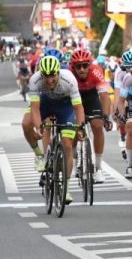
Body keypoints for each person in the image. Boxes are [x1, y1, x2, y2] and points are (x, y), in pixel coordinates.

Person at [23, 55, 85, 204]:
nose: (49, 80)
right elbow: (35, 108)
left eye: (52, 75)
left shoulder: (69, 79)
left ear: (58, 72)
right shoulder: (35, 80)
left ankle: (66, 188)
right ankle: (39, 155)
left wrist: (80, 127)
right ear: (41, 74)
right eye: (46, 76)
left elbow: (78, 107)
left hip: (65, 107)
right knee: (26, 124)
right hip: (45, 103)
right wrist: (38, 127)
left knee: (67, 144)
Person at [69, 49, 112, 183]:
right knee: (74, 127)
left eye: (84, 66)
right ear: (73, 67)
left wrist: (106, 117)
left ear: (89, 65)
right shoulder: (69, 74)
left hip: (91, 97)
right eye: (78, 66)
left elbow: (104, 96)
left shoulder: (96, 71)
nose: (82, 69)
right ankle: (74, 161)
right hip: (74, 98)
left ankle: (98, 168)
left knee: (97, 126)